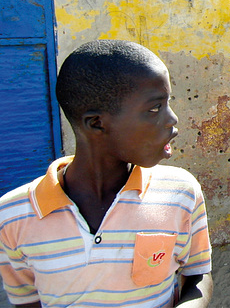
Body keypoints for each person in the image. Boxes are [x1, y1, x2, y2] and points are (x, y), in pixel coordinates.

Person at [0, 40, 213, 307]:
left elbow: (197, 274)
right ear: (97, 124)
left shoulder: (181, 192)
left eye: (168, 103)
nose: (172, 119)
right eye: (155, 108)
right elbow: (27, 301)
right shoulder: (14, 216)